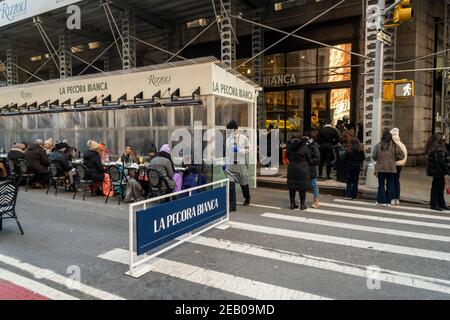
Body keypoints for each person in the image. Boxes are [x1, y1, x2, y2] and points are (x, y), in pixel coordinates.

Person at [372, 131, 405, 207]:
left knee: (381, 185)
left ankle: (382, 201)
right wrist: (394, 159)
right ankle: (389, 201)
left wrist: (379, 159)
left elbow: (374, 156)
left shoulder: (378, 145)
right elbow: (402, 155)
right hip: (391, 168)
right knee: (390, 185)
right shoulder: (395, 145)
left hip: (381, 168)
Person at [224, 120, 251, 211]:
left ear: (234, 129)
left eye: (229, 129)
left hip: (241, 165)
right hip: (231, 165)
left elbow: (249, 151)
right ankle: (232, 206)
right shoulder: (228, 140)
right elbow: (227, 153)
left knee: (244, 183)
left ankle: (247, 197)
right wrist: (226, 163)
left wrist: (239, 150)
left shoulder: (244, 138)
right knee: (231, 185)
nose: (228, 131)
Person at [286, 133, 312, 210]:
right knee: (302, 187)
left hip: (292, 167)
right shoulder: (304, 147)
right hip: (302, 168)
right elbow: (309, 158)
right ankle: (302, 205)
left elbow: (288, 156)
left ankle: (292, 204)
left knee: (292, 187)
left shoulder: (289, 147)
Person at [426, 133, 450, 211]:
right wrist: (446, 171)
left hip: (437, 171)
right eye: (443, 138)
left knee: (438, 188)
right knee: (437, 188)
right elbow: (441, 161)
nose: (444, 140)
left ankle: (440, 203)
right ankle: (435, 204)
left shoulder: (435, 147)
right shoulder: (439, 148)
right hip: (439, 171)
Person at [390, 128, 408, 206]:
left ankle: (392, 198)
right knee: (397, 181)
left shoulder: (391, 144)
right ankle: (397, 198)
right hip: (399, 165)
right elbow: (405, 155)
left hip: (392, 164)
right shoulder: (402, 144)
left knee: (391, 181)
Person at [305, 132, 320, 209]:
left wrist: (309, 161)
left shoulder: (314, 147)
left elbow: (317, 159)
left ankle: (316, 200)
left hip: (311, 168)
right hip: (304, 167)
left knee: (313, 184)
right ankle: (303, 200)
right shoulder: (303, 146)